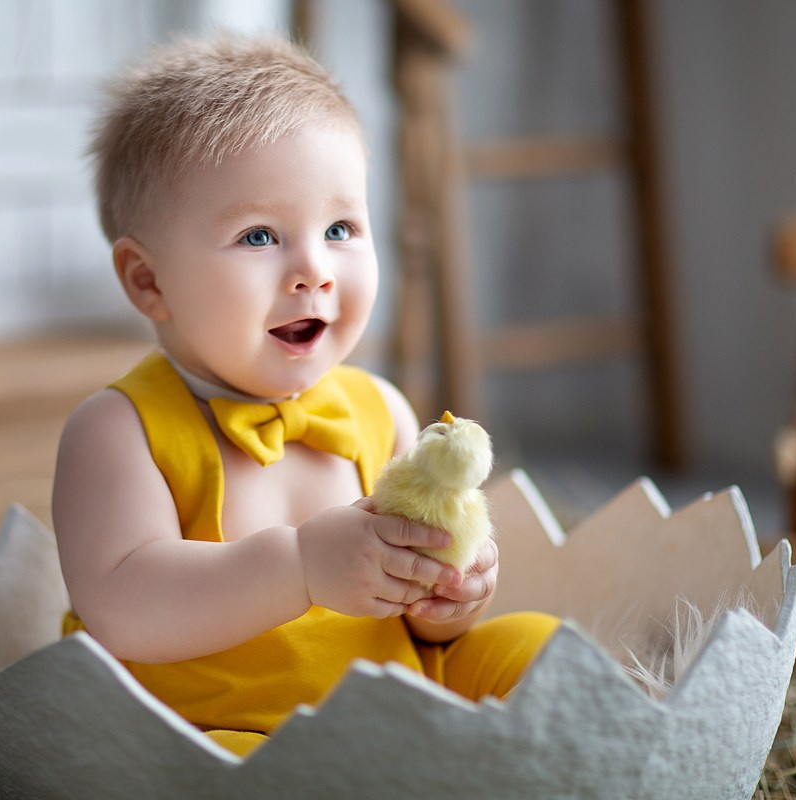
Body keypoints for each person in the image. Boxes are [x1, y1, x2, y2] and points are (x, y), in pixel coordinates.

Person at [52, 32, 560, 758]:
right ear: (148, 280)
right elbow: (124, 608)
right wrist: (300, 569)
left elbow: (412, 617)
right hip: (220, 730)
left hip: (394, 698)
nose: (314, 269)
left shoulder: (379, 409)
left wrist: (447, 597)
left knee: (537, 650)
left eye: (341, 227)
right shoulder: (118, 431)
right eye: (260, 236)